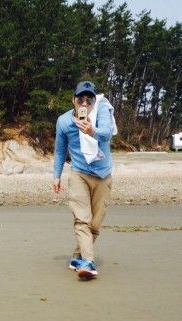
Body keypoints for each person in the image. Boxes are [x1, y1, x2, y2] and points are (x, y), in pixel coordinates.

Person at [52, 80, 116, 280]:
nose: (85, 104)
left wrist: (91, 130)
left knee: (95, 225)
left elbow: (106, 134)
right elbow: (60, 150)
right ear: (74, 100)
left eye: (90, 99)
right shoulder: (64, 122)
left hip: (103, 175)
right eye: (81, 99)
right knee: (82, 220)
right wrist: (56, 175)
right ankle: (88, 261)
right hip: (78, 173)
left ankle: (78, 256)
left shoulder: (103, 110)